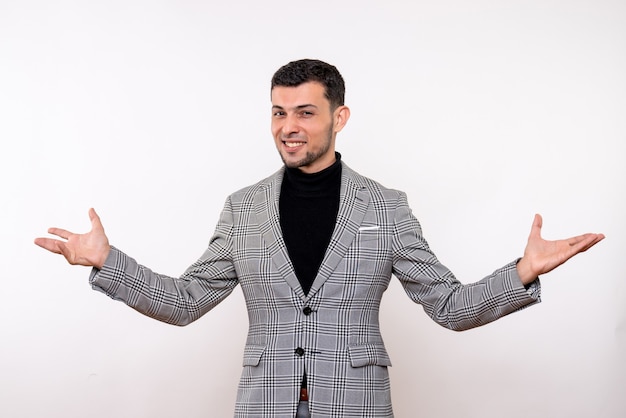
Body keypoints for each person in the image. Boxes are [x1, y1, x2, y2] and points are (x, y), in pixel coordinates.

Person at [34, 59, 604, 418]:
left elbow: (449, 308)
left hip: (354, 406)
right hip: (264, 405)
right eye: (279, 112)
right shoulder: (243, 209)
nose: (289, 127)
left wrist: (523, 272)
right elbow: (184, 303)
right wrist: (106, 261)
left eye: (305, 112)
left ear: (340, 116)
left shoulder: (385, 207)